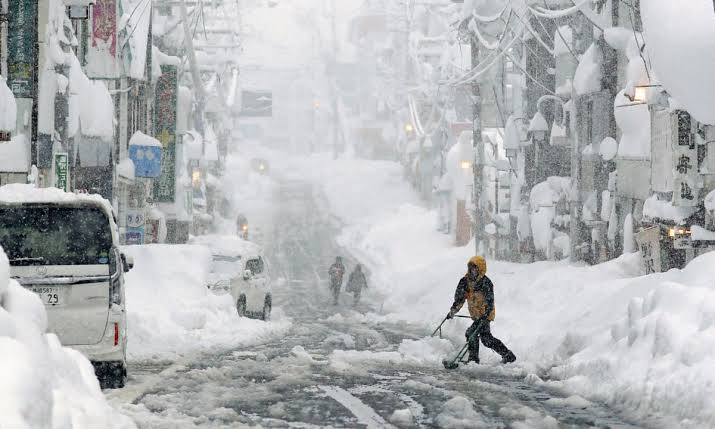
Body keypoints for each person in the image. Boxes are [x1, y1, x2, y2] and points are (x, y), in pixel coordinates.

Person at [447, 256, 516, 364]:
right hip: (476, 315)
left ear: (480, 269)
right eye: (470, 268)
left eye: (474, 268)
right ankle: (508, 355)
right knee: (486, 340)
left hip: (485, 315)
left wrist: (486, 314)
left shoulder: (485, 282)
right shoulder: (465, 282)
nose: (471, 271)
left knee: (471, 333)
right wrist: (453, 311)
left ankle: (473, 359)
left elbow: (490, 301)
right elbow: (460, 299)